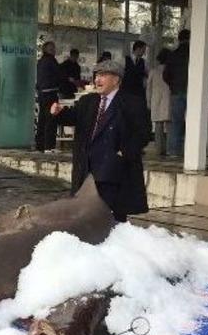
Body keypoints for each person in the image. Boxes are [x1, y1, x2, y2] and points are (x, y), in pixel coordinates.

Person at [49, 60, 150, 222]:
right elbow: (73, 117)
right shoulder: (88, 101)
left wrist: (124, 152)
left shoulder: (132, 103)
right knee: (84, 214)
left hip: (114, 170)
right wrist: (58, 113)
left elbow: (142, 134)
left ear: (116, 80)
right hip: (88, 168)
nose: (97, 80)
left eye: (103, 76)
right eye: (96, 76)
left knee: (112, 217)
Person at [163, 29, 190, 158]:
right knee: (192, 121)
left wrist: (173, 85)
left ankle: (173, 150)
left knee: (176, 122)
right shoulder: (195, 53)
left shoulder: (173, 55)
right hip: (192, 92)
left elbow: (165, 75)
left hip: (176, 91)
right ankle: (191, 150)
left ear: (179, 39)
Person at [35, 41, 61, 153]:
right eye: (52, 49)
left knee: (42, 119)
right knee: (51, 119)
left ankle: (40, 145)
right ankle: (49, 146)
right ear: (46, 50)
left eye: (54, 49)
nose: (54, 51)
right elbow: (59, 75)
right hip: (51, 93)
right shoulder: (52, 61)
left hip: (42, 93)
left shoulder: (40, 62)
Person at [147, 49, 172, 157]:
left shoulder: (153, 71)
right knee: (169, 126)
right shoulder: (171, 71)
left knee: (158, 126)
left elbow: (149, 88)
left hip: (156, 100)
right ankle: (168, 149)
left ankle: (158, 149)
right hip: (168, 99)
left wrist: (148, 101)